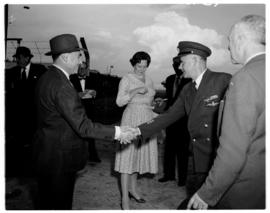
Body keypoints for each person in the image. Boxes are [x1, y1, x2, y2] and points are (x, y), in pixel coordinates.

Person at [32, 34, 136, 210]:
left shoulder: (49, 77)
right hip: (59, 160)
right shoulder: (61, 85)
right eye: (78, 55)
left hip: (47, 155)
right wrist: (118, 132)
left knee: (47, 203)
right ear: (66, 57)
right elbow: (83, 126)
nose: (81, 60)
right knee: (59, 204)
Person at [134, 41, 232, 207]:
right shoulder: (187, 89)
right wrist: (137, 130)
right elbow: (169, 115)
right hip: (196, 160)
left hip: (218, 161)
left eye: (182, 63)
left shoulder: (223, 81)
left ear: (195, 60)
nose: (180, 67)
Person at [187, 14, 265, 210]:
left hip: (244, 189)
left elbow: (233, 151)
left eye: (229, 40)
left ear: (240, 38)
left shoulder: (245, 79)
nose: (229, 47)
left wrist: (207, 193)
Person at [114, 51, 158, 210]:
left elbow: (149, 104)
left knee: (137, 158)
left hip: (145, 120)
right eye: (139, 66)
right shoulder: (126, 79)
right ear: (134, 64)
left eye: (145, 66)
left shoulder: (150, 80)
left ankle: (133, 190)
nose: (142, 69)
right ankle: (124, 199)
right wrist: (134, 91)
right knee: (127, 159)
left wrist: (155, 112)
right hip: (131, 119)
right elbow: (119, 102)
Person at [5, 46, 47, 177]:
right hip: (16, 117)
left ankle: (31, 172)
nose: (17, 60)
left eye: (19, 57)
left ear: (27, 58)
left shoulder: (40, 71)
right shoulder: (11, 72)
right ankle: (16, 171)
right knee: (16, 145)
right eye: (16, 58)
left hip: (34, 117)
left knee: (32, 146)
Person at [158, 55, 191, 186]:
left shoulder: (190, 80)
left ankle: (182, 179)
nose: (176, 67)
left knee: (182, 151)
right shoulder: (170, 79)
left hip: (184, 120)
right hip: (170, 119)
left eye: (178, 64)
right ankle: (169, 175)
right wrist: (163, 101)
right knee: (169, 149)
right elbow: (170, 97)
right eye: (174, 65)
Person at [70, 63, 101, 163]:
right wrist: (76, 94)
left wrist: (95, 93)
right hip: (75, 110)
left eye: (84, 69)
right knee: (75, 132)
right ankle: (74, 157)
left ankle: (93, 155)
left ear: (87, 70)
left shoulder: (92, 79)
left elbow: (99, 92)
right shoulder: (71, 78)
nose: (82, 71)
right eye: (80, 69)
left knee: (90, 132)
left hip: (89, 111)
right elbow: (66, 92)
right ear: (77, 69)